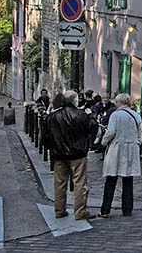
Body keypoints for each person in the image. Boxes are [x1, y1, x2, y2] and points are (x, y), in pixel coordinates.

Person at [43, 90, 95, 220]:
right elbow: (91, 129)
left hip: (59, 155)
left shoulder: (52, 117)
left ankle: (59, 210)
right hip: (78, 154)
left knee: (59, 184)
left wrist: (51, 148)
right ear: (75, 101)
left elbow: (45, 136)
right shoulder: (81, 115)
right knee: (80, 183)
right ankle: (80, 211)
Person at [100, 93, 142, 217]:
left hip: (117, 148)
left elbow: (111, 132)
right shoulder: (136, 115)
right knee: (128, 180)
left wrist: (103, 142)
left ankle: (105, 210)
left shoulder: (115, 115)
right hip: (131, 149)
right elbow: (140, 134)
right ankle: (127, 209)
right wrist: (136, 144)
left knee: (111, 180)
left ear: (119, 103)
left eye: (116, 102)